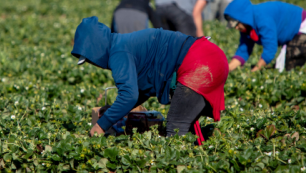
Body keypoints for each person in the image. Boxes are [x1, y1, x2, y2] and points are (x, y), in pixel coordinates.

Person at [72, 16, 228, 139]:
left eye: (90, 60)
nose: (94, 64)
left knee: (175, 130)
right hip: (212, 56)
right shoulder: (124, 44)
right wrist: (115, 111)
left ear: (96, 50)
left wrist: (100, 125)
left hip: (199, 64)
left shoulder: (118, 53)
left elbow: (128, 96)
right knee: (186, 125)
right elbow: (142, 91)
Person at [224, 0, 306, 72]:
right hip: (291, 36)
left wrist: (253, 72)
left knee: (290, 67)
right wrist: (226, 71)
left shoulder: (262, 19)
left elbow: (270, 50)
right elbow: (243, 51)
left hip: (305, 28)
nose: (236, 28)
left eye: (236, 24)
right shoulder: (246, 27)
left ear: (243, 17)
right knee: (278, 69)